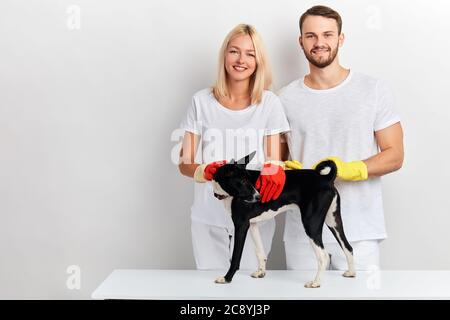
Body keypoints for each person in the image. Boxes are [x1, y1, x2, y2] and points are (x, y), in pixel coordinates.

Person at [279, 5, 404, 271]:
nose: (319, 42)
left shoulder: (373, 89)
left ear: (341, 38)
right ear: (300, 42)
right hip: (303, 232)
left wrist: (353, 169)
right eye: (311, 36)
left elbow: (395, 154)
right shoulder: (284, 98)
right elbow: (275, 160)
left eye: (327, 34)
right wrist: (284, 173)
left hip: (359, 231)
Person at [178, 24, 290, 270]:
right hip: (208, 216)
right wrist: (205, 171)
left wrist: (274, 170)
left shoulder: (269, 104)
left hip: (254, 217)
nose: (241, 60)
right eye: (234, 51)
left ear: (258, 61)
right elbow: (184, 162)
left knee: (249, 290)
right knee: (210, 290)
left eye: (250, 54)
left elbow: (274, 160)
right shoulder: (201, 102)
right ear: (224, 55)